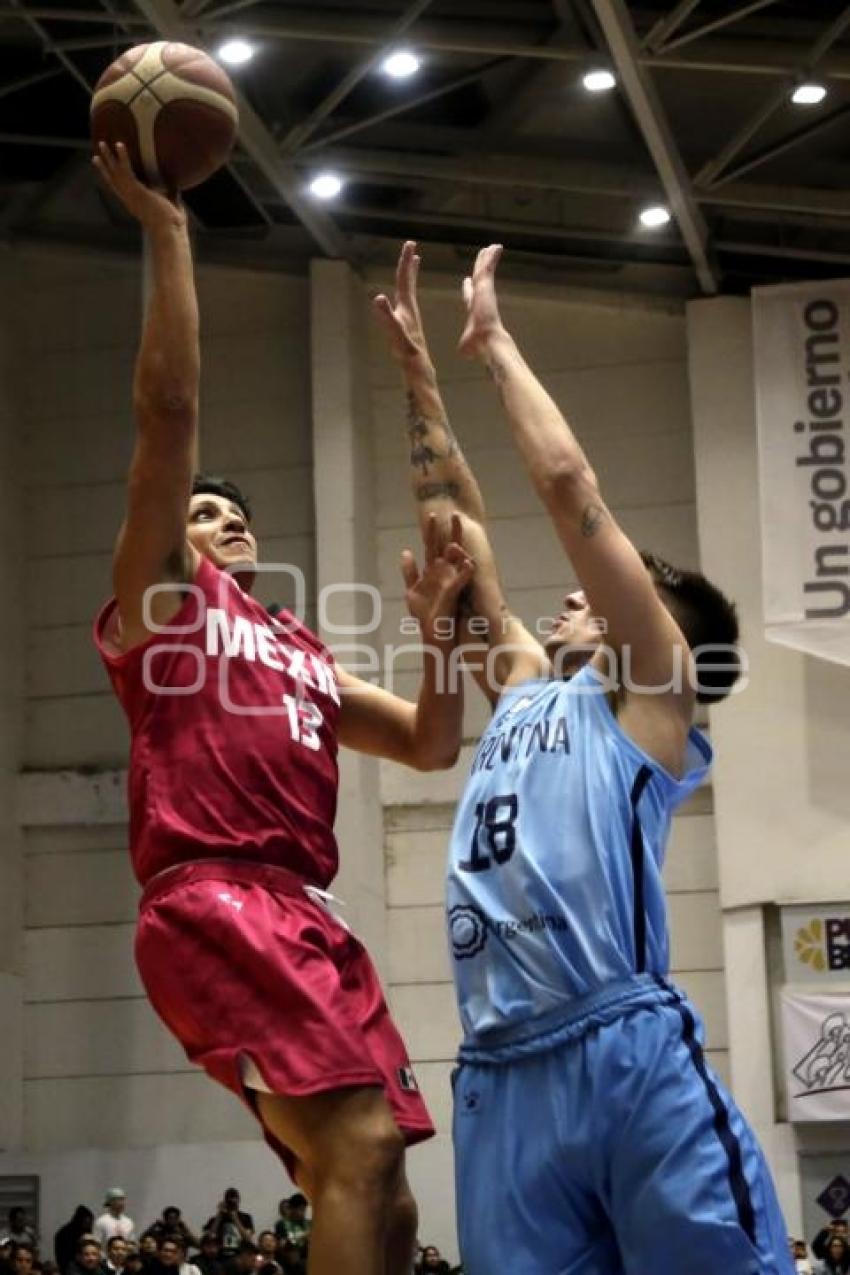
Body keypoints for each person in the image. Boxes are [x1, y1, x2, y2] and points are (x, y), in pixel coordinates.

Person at [374, 240, 794, 1275]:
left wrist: (495, 344)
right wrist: (420, 377)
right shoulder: (522, 689)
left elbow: (564, 483)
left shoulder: (653, 697)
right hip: (500, 1070)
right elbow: (457, 543)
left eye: (608, 592)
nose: (574, 596)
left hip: (619, 1050)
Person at [90, 145, 472, 1275]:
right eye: (201, 512)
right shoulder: (164, 608)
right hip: (214, 897)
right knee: (357, 1150)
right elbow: (167, 413)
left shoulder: (297, 647)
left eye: (227, 512)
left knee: (386, 1196)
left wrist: (438, 632)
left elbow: (429, 741)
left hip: (309, 913)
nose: (219, 519)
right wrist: (170, 234)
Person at [201, 1197, 252, 1262]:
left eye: (233, 1203)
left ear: (238, 1203)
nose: (231, 1206)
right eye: (229, 1203)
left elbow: (248, 1239)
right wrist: (219, 1215)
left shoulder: (246, 1217)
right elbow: (209, 1237)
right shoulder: (215, 1219)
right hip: (219, 1257)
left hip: (239, 1256)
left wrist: (235, 1218)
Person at [54, 1210, 94, 1275]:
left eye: (89, 1223)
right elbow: (63, 1258)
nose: (87, 1225)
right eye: (86, 1222)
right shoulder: (65, 1233)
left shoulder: (85, 1232)